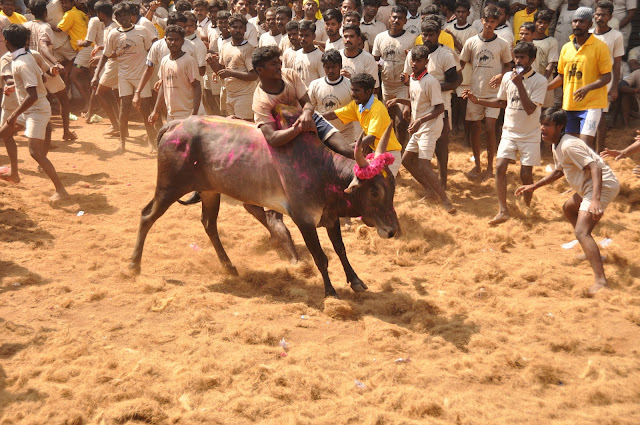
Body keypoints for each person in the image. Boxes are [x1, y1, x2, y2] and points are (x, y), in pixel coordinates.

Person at [516, 107, 619, 295]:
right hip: (587, 186)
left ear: (560, 126)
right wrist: (534, 186)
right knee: (569, 208)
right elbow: (559, 170)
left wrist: (595, 199)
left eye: (547, 125)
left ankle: (601, 281)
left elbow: (595, 168)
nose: (542, 128)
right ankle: (591, 250)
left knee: (581, 232)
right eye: (542, 124)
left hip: (601, 186)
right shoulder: (557, 144)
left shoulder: (569, 145)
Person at [464, 41, 547, 224]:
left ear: (532, 60)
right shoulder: (508, 76)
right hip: (509, 131)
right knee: (500, 168)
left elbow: (531, 109)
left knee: (526, 174)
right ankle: (503, 210)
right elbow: (502, 103)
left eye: (522, 57)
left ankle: (527, 206)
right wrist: (478, 101)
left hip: (530, 134)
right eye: (516, 57)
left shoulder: (540, 81)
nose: (518, 60)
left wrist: (519, 85)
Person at [0, 24, 69, 201]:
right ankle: (15, 173)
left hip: (36, 110)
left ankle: (61, 190)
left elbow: (32, 95)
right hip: (30, 108)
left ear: (7, 41)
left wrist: (14, 115)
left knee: (35, 153)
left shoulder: (22, 62)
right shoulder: (26, 56)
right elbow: (42, 78)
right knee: (5, 134)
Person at [252, 45, 353, 157]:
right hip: (287, 133)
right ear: (260, 70)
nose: (279, 66)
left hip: (310, 118)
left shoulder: (290, 75)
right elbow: (272, 138)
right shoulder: (260, 102)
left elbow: (307, 103)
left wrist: (306, 114)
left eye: (279, 62)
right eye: (273, 64)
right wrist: (299, 127)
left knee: (346, 151)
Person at [390, 45, 455, 212]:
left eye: (419, 61)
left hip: (430, 126)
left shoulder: (431, 82)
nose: (414, 63)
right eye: (413, 60)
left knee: (424, 164)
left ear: (426, 61)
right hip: (419, 125)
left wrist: (419, 121)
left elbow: (440, 108)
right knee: (406, 160)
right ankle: (430, 189)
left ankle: (446, 201)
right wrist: (399, 100)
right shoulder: (413, 79)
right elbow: (416, 102)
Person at [403, 19, 461, 189]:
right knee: (417, 144)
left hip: (440, 104)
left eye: (431, 35)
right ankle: (430, 184)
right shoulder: (413, 55)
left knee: (441, 143)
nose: (427, 38)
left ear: (438, 34)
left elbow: (454, 82)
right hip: (418, 105)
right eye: (424, 35)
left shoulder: (446, 55)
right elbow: (411, 81)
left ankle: (443, 181)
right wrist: (408, 105)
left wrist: (430, 87)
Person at [459, 4, 512, 180]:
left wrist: (501, 75)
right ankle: (477, 165)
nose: (489, 25)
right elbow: (461, 63)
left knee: (490, 128)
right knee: (475, 128)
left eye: (493, 21)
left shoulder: (502, 44)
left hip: (494, 94)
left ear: (497, 22)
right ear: (481, 21)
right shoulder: (471, 42)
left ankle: (490, 167)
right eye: (486, 21)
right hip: (474, 92)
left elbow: (509, 65)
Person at [547, 7, 612, 151]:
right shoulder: (566, 48)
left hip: (591, 105)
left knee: (585, 143)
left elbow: (607, 76)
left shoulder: (600, 47)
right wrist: (545, 88)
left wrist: (587, 88)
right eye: (575, 21)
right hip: (569, 105)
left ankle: (592, 173)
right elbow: (561, 76)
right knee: (570, 144)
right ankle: (577, 173)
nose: (577, 24)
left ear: (590, 24)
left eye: (581, 21)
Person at [100, 2, 155, 153]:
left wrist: (151, 70)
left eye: (125, 15)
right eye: (119, 16)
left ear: (130, 15)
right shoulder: (113, 34)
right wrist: (97, 74)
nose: (123, 18)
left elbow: (150, 51)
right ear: (115, 18)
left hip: (141, 75)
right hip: (123, 75)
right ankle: (122, 143)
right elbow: (107, 55)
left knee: (145, 109)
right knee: (124, 109)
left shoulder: (142, 31)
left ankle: (151, 141)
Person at [323, 72, 402, 174]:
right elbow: (333, 114)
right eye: (352, 90)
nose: (353, 94)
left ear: (368, 91)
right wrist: (314, 117)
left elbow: (371, 137)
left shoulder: (377, 109)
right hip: (375, 153)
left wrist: (345, 148)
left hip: (389, 155)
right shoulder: (357, 105)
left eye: (357, 90)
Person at [24, 0, 77, 141]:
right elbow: (43, 47)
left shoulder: (25, 26)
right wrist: (56, 62)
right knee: (63, 98)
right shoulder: (46, 27)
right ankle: (66, 132)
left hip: (29, 68)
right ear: (45, 13)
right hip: (46, 68)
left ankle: (43, 137)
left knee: (42, 102)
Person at [209, 13, 257, 120]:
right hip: (229, 94)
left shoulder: (248, 49)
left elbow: (253, 76)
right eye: (235, 27)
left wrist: (231, 73)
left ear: (245, 29)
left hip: (245, 96)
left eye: (241, 27)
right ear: (229, 28)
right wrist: (212, 63)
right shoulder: (225, 47)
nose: (238, 30)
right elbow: (222, 73)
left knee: (244, 129)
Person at [149, 25, 201, 123]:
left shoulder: (189, 61)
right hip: (171, 113)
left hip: (186, 114)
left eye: (176, 40)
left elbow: (197, 87)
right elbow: (163, 86)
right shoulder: (164, 61)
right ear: (165, 40)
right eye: (170, 39)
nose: (173, 42)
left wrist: (194, 114)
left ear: (182, 41)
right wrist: (155, 111)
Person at [592, 1, 623, 154]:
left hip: (606, 81)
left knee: (600, 118)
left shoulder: (616, 36)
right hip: (587, 80)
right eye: (598, 14)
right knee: (585, 117)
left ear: (610, 17)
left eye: (604, 15)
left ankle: (598, 153)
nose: (600, 17)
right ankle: (587, 151)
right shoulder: (588, 34)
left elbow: (617, 64)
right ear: (593, 15)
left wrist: (615, 87)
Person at [308, 49, 355, 142]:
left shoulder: (350, 85)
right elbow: (309, 108)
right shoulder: (315, 85)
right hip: (324, 132)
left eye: (333, 67)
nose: (330, 70)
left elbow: (356, 109)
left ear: (340, 66)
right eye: (327, 67)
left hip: (346, 132)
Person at [447, 1, 478, 142]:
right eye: (458, 12)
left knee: (463, 102)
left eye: (463, 12)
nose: (460, 15)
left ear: (468, 13)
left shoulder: (472, 31)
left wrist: (453, 39)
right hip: (450, 69)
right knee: (451, 100)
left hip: (466, 70)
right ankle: (453, 125)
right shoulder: (447, 28)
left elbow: (470, 54)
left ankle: (463, 130)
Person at [372, 5, 415, 101]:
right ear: (389, 18)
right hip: (386, 85)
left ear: (405, 21)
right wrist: (377, 64)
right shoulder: (380, 37)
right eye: (394, 17)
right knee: (387, 114)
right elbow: (375, 59)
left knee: (401, 115)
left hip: (403, 86)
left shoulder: (411, 39)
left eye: (400, 18)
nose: (396, 20)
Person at [56, 0, 92, 113]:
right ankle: (91, 102)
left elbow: (58, 28)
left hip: (84, 49)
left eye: (66, 3)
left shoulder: (69, 14)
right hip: (88, 48)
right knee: (85, 76)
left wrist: (44, 23)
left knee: (74, 76)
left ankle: (88, 104)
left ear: (72, 3)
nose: (63, 5)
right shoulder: (80, 13)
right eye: (62, 3)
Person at [90, 0, 120, 136]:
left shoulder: (112, 28)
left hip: (114, 65)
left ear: (100, 14)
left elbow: (118, 51)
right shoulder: (111, 26)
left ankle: (116, 125)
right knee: (109, 93)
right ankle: (118, 124)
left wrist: (101, 57)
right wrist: (102, 48)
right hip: (113, 64)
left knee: (99, 93)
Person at [532, 8, 558, 109]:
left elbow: (551, 63)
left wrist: (543, 80)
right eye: (540, 22)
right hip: (530, 80)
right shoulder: (528, 40)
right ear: (534, 22)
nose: (542, 25)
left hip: (546, 81)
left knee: (544, 108)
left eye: (545, 23)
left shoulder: (552, 41)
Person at [339, 25, 379, 90]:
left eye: (352, 36)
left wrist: (351, 79)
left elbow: (374, 88)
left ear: (359, 39)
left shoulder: (368, 59)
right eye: (345, 36)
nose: (348, 40)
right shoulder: (337, 56)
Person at [293, 19, 324, 86]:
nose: (303, 39)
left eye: (306, 36)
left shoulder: (320, 56)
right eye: (301, 35)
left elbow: (323, 80)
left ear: (314, 36)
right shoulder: (297, 54)